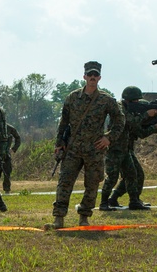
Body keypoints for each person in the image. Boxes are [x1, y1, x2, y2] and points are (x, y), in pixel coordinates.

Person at [48, 61, 124, 229]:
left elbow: (120, 120)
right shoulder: (72, 97)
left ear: (99, 78)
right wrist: (60, 143)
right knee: (65, 182)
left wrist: (108, 138)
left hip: (95, 149)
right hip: (72, 148)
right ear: (84, 77)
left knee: (92, 184)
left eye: (95, 75)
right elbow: (64, 123)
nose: (92, 77)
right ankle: (58, 218)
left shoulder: (106, 100)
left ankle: (84, 216)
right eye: (89, 74)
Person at [101, 87, 157, 211]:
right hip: (114, 148)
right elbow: (129, 122)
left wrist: (155, 123)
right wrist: (147, 114)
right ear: (129, 100)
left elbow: (139, 131)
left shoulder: (130, 108)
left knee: (133, 174)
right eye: (135, 100)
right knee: (112, 177)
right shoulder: (120, 108)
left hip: (125, 149)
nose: (137, 103)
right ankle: (104, 203)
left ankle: (133, 201)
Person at [2, 120, 21, 194]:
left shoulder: (9, 128)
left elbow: (18, 138)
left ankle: (7, 190)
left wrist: (13, 149)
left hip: (6, 154)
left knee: (7, 172)